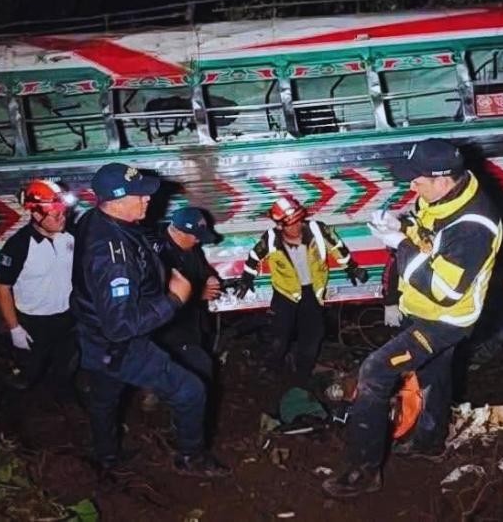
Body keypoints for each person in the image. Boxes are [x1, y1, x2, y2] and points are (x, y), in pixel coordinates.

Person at [322, 138, 503, 498]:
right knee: (434, 375)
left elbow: (444, 290)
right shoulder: (441, 198)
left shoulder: (474, 226)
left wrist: (400, 245)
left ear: (443, 179)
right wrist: (403, 226)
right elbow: (429, 238)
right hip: (422, 310)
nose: (412, 187)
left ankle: (363, 470)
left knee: (375, 372)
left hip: (444, 320)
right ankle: (429, 442)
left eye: (417, 180)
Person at [70, 162, 230, 478]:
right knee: (190, 390)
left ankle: (107, 457)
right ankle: (191, 457)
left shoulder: (96, 219)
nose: (148, 199)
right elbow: (121, 325)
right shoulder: (113, 257)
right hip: (119, 345)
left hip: (92, 334)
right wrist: (174, 299)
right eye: (139, 195)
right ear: (116, 200)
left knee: (104, 398)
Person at [235, 196, 368, 386]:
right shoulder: (271, 238)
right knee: (279, 338)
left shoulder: (317, 229)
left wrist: (351, 267)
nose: (297, 226)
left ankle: (302, 376)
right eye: (291, 223)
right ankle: (271, 370)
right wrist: (247, 278)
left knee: (312, 337)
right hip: (284, 294)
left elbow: (337, 247)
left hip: (312, 293)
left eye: (299, 220)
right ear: (280, 225)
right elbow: (255, 256)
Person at [0, 179, 78, 400]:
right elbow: (3, 289)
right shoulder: (18, 246)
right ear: (36, 214)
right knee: (29, 372)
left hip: (66, 319)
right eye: (55, 215)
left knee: (65, 368)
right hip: (33, 323)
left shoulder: (71, 237)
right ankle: (9, 405)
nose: (62, 219)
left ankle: (62, 401)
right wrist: (15, 329)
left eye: (64, 214)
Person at [150, 206, 220, 381]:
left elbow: (201, 267)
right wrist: (198, 294)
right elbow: (157, 295)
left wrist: (210, 277)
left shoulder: (189, 245)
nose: (198, 241)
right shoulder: (158, 255)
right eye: (196, 236)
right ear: (180, 233)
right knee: (199, 372)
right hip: (170, 333)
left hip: (191, 326)